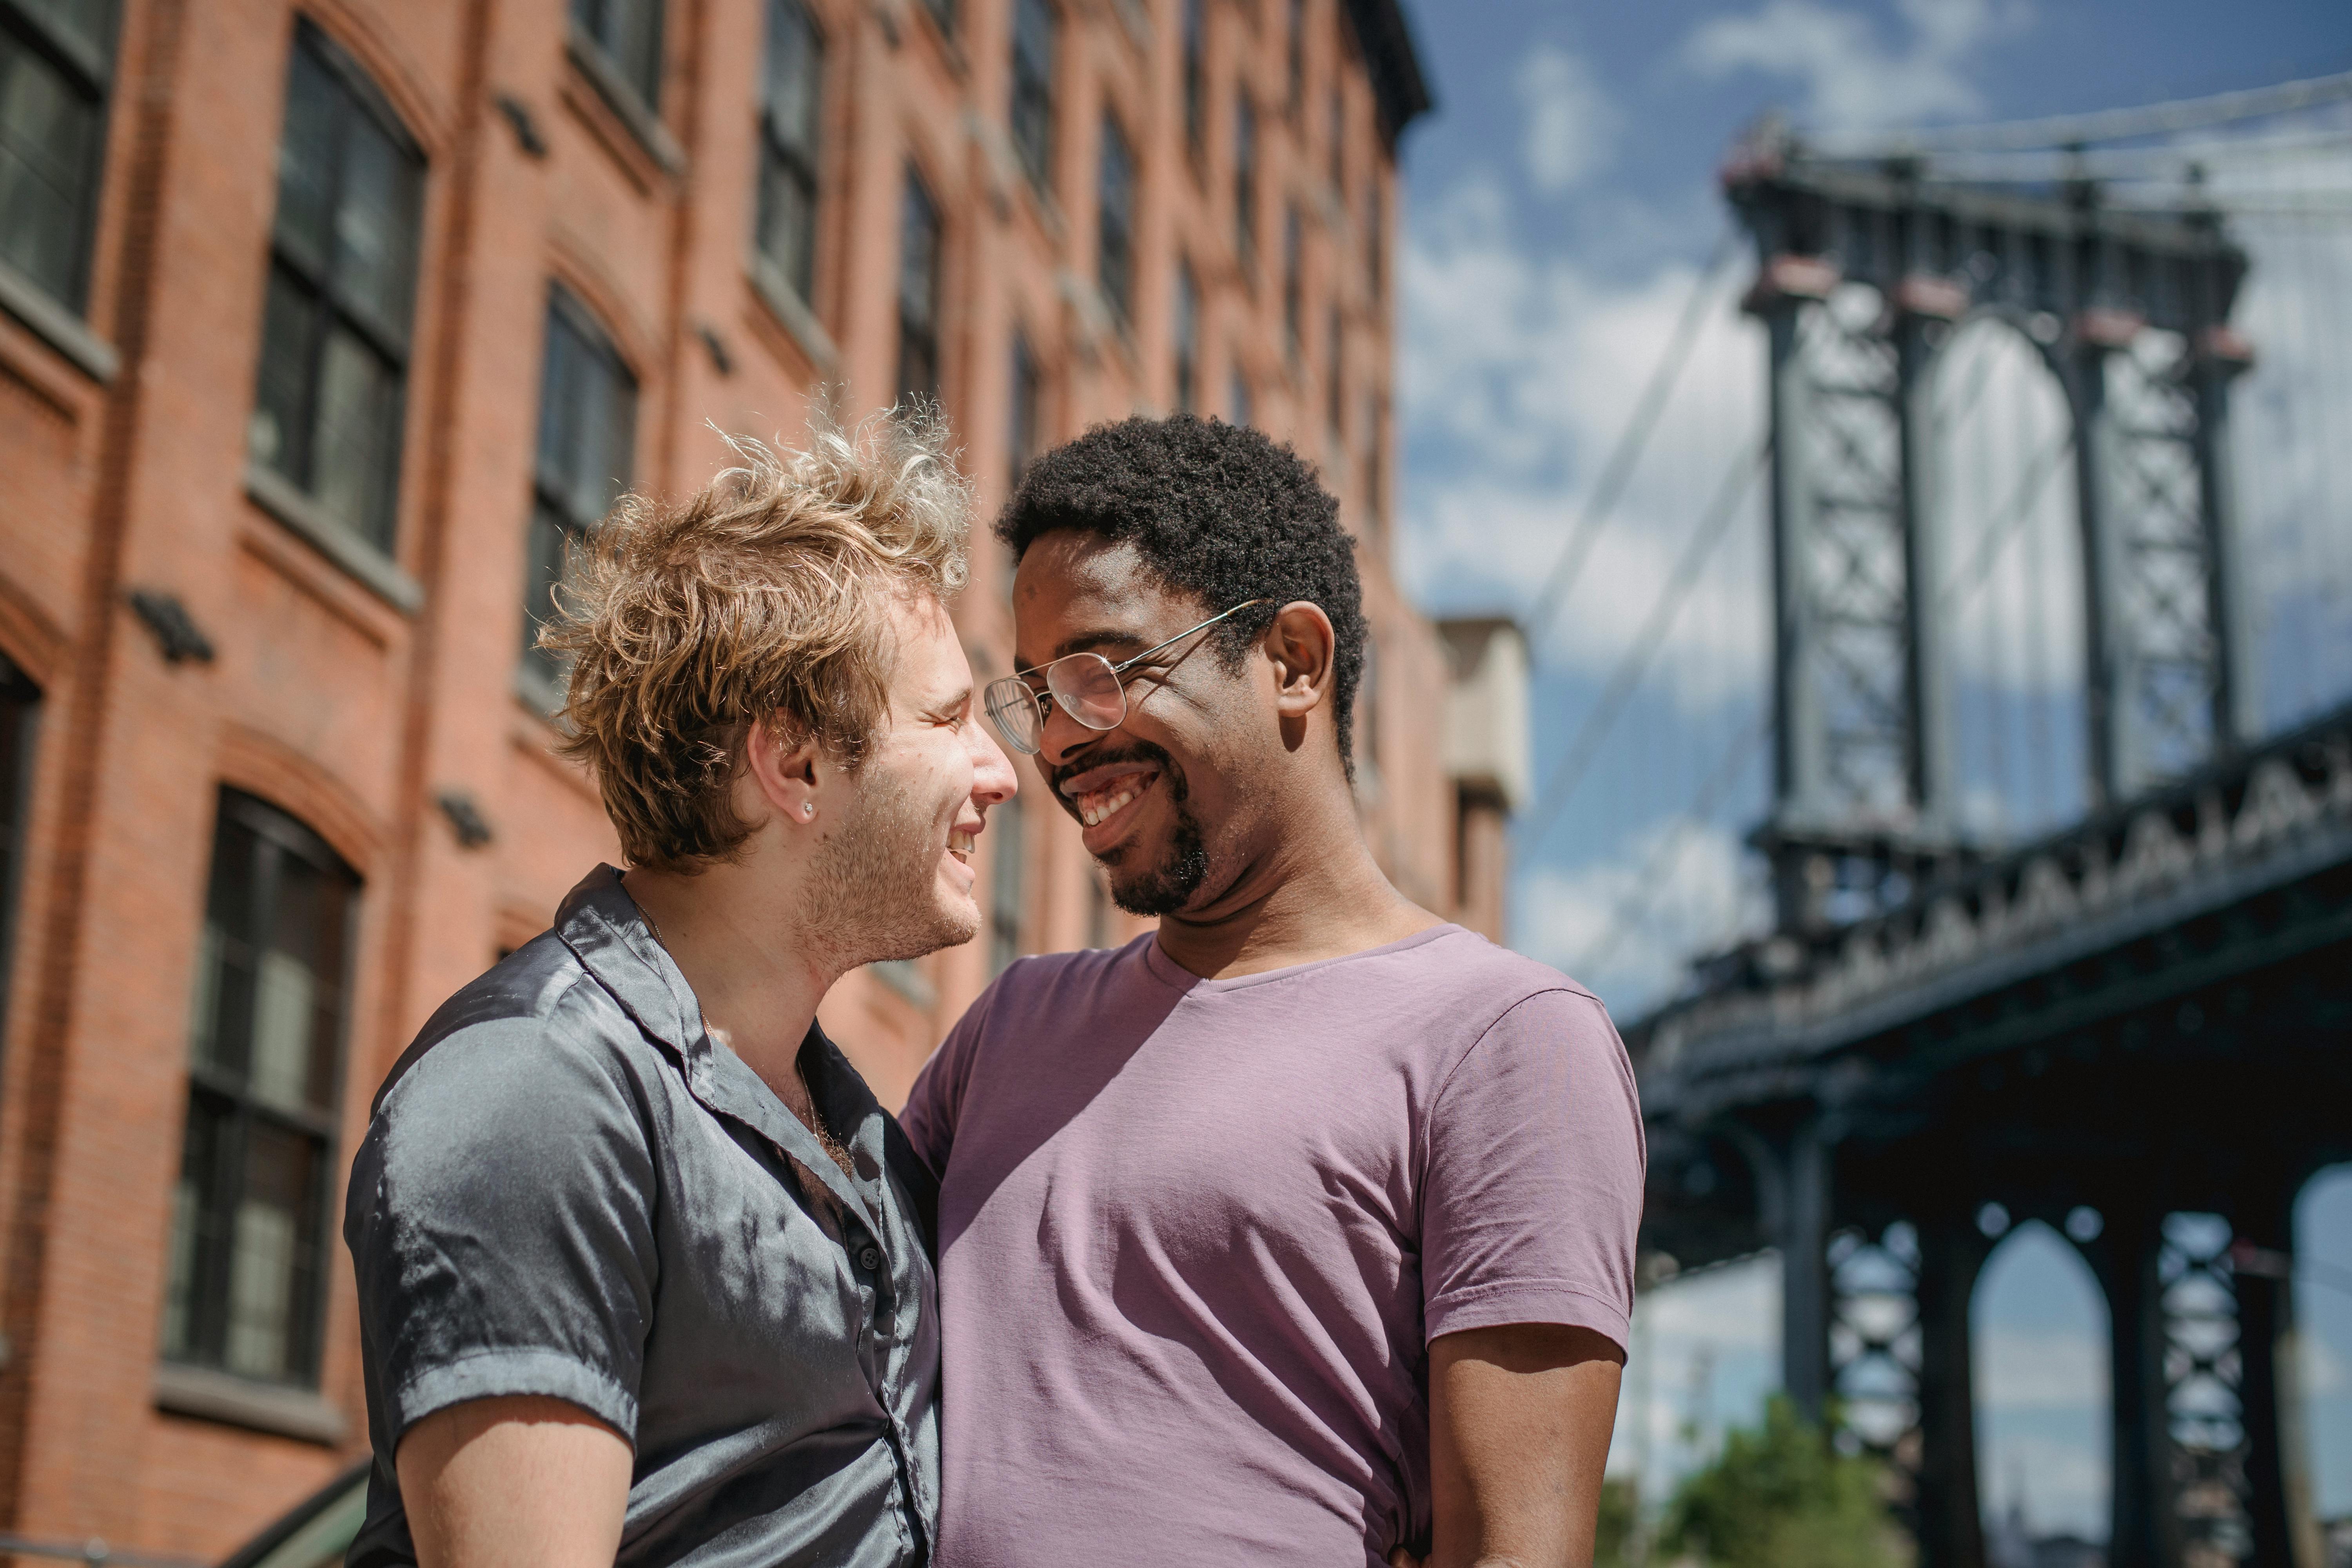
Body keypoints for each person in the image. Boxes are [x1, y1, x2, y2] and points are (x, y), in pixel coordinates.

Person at [901, 414, 1646, 1568]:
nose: (1056, 742)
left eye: (1102, 674)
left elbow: (1518, 1551)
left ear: (1293, 661)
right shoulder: (1007, 1027)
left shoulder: (1511, 1043)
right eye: (1037, 695)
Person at [343, 413, 1016, 1568]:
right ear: (794, 765)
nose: (999, 772)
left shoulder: (860, 1133)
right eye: (950, 719)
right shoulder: (536, 1093)